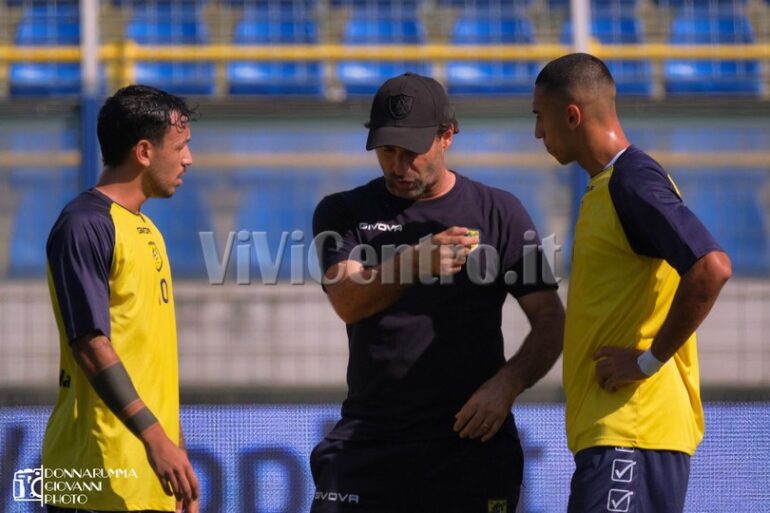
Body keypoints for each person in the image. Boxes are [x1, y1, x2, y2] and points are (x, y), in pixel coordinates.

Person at [310, 72, 565, 513]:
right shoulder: (344, 211)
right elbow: (347, 301)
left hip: (471, 445)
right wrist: (415, 261)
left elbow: (550, 320)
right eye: (387, 151)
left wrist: (507, 385)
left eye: (411, 152)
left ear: (447, 136)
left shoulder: (499, 212)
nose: (397, 166)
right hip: (369, 443)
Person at [531, 53, 732, 513]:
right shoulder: (609, 185)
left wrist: (646, 362)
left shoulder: (632, 181)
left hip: (633, 430)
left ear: (572, 115)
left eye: (540, 117)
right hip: (618, 435)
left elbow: (712, 267)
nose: (538, 132)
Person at [43, 85, 200, 513]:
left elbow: (152, 360)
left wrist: (177, 455)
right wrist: (154, 437)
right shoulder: (84, 225)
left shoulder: (147, 230)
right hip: (92, 478)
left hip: (150, 481)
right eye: (180, 147)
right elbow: (90, 343)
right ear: (144, 151)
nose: (188, 159)